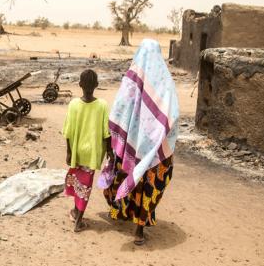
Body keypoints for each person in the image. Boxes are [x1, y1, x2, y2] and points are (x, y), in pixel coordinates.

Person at [100, 39, 179, 245]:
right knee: (148, 187)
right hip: (155, 148)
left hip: (129, 145)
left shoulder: (131, 79)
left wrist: (122, 136)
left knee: (125, 176)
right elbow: (172, 115)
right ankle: (139, 231)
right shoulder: (166, 83)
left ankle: (120, 212)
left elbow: (119, 109)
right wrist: (154, 134)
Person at [62, 69, 113, 232]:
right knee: (85, 185)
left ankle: (78, 218)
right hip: (92, 153)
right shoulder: (102, 105)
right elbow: (107, 133)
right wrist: (110, 151)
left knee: (77, 181)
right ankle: (78, 216)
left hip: (77, 150)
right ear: (97, 85)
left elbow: (68, 132)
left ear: (80, 85)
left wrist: (69, 152)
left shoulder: (74, 104)